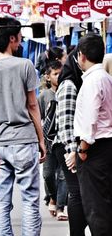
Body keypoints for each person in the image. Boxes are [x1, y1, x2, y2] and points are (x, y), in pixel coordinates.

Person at [0, 17, 46, 236]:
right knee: (30, 200)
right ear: (12, 38)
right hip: (24, 139)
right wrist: (41, 139)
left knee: (2, 201)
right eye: (19, 37)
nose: (20, 41)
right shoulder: (25, 65)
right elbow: (32, 105)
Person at [74, 34, 112, 235]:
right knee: (104, 204)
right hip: (105, 146)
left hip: (95, 149)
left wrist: (82, 148)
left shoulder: (93, 81)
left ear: (81, 56)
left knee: (96, 208)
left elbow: (90, 118)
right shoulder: (105, 78)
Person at [53, 47, 88, 235]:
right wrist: (72, 150)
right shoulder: (68, 85)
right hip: (67, 146)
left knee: (79, 193)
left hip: (72, 145)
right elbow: (65, 122)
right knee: (76, 193)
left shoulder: (75, 82)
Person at [37, 61, 68, 221]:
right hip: (49, 142)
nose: (59, 76)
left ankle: (61, 206)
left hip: (63, 141)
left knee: (63, 175)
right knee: (48, 174)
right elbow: (38, 117)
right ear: (48, 77)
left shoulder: (67, 90)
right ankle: (53, 198)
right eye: (55, 74)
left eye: (60, 73)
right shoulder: (44, 95)